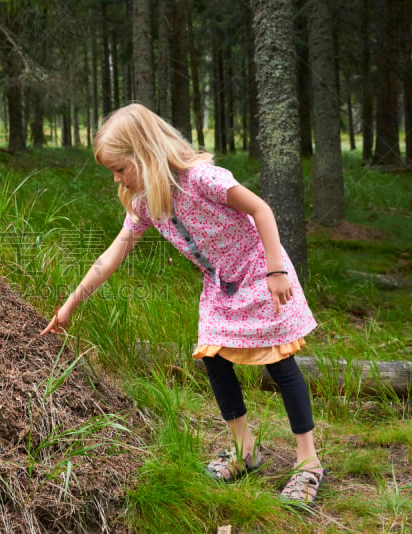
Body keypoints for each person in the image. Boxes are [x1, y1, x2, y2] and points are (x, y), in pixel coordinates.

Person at [40, 103, 325, 503]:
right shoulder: (145, 202)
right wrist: (69, 305)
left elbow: (262, 209)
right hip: (220, 285)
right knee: (213, 356)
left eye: (120, 168)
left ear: (143, 153)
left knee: (280, 362)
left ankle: (307, 462)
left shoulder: (202, 179)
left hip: (261, 271)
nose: (118, 178)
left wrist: (276, 271)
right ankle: (244, 450)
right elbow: (109, 258)